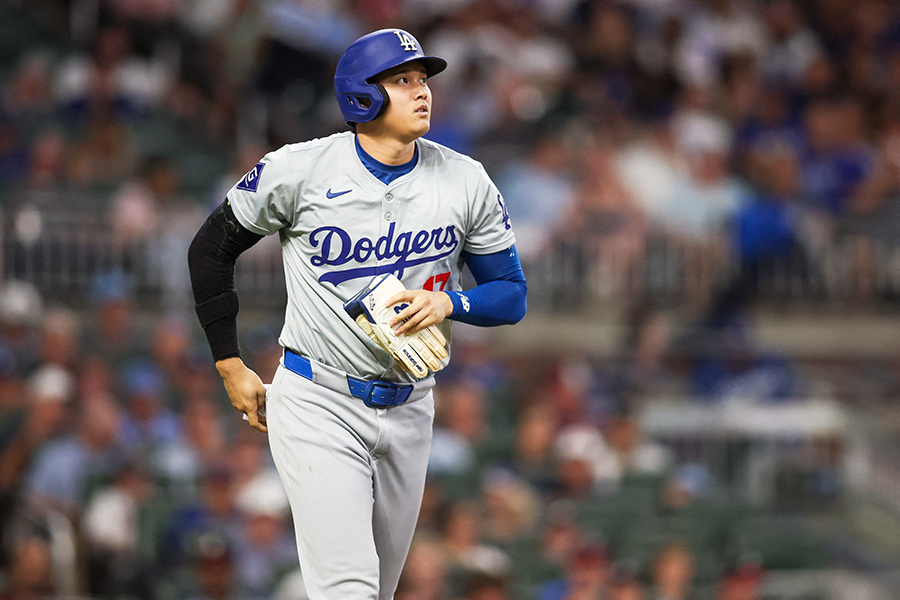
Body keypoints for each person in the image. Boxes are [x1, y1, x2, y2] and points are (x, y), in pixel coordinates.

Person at [187, 28, 527, 600]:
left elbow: (511, 294)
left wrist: (450, 301)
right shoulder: (299, 170)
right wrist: (229, 363)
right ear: (360, 96)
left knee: (377, 592)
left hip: (412, 404)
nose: (422, 92)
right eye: (403, 80)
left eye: (423, 80)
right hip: (319, 398)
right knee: (349, 588)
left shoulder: (465, 179)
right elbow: (210, 249)